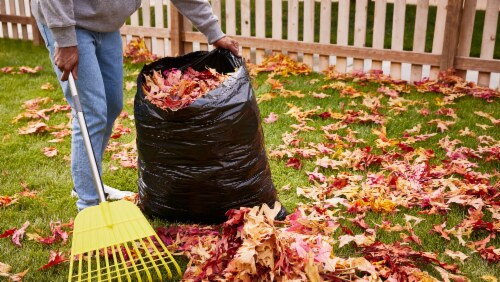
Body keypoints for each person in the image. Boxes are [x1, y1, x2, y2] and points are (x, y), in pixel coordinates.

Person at [31, 0, 239, 211]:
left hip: (106, 25)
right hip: (68, 22)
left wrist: (215, 33)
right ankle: (89, 205)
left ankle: (89, 183)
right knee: (91, 112)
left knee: (112, 106)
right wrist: (65, 40)